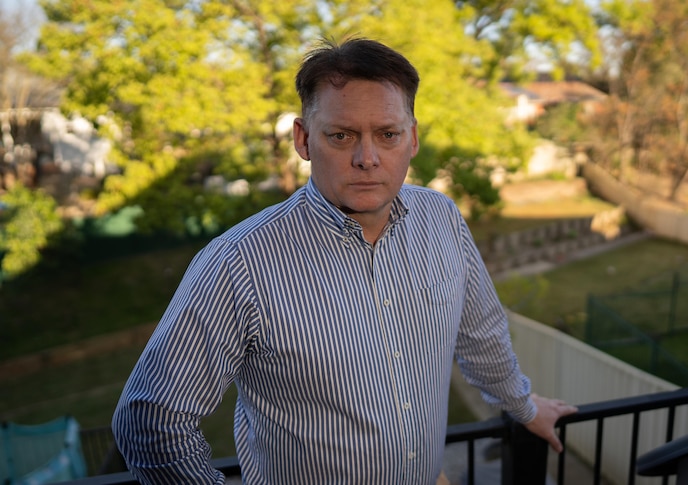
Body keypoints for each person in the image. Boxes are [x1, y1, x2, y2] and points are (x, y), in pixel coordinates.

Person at [112, 37, 577, 484]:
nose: (367, 158)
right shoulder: (239, 264)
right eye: (341, 135)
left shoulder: (442, 219)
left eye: (388, 134)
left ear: (412, 139)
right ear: (304, 140)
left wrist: (524, 408)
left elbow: (481, 335)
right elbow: (152, 424)